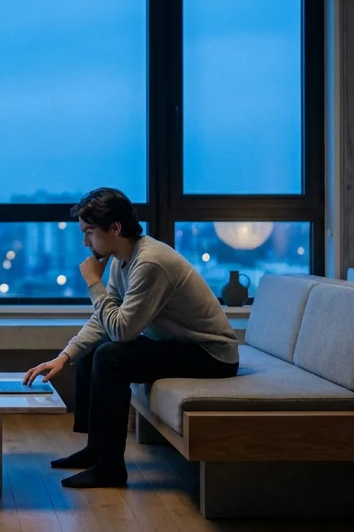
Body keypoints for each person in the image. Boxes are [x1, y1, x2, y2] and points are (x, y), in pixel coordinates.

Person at [23, 187, 240, 488]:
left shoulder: (150, 263)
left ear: (115, 227)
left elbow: (122, 331)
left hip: (210, 353)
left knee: (111, 356)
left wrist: (93, 283)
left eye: (89, 232)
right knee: (96, 348)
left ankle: (110, 468)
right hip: (175, 343)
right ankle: (95, 451)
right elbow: (105, 320)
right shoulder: (121, 259)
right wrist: (65, 356)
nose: (85, 242)